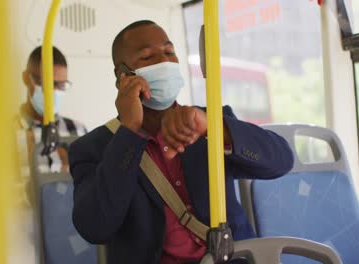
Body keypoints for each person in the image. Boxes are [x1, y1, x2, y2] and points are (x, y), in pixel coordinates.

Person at [68, 20, 294, 264]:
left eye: (169, 52)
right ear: (122, 74)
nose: (164, 63)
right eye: (147, 57)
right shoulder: (93, 148)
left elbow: (281, 161)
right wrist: (129, 132)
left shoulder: (209, 121)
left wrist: (214, 128)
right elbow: (95, 227)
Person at [18, 46, 87, 174]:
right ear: (26, 78)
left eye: (61, 85)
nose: (54, 92)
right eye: (47, 84)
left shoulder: (77, 131)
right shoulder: (1, 132)